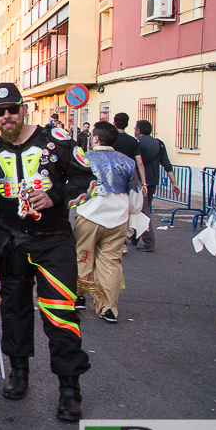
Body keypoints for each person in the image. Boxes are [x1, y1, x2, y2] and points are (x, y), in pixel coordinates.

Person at [0, 82, 93, 421]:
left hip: (53, 242)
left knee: (60, 315)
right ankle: (19, 373)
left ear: (23, 108)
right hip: (11, 244)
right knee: (13, 311)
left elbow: (87, 181)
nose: (7, 116)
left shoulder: (56, 142)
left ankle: (69, 390)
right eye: (0, 112)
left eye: (13, 108)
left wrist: (56, 195)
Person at [73, 122, 144, 323]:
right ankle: (108, 308)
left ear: (95, 138)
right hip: (118, 218)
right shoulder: (128, 161)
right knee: (111, 262)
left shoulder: (84, 159)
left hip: (89, 214)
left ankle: (79, 296)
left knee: (83, 256)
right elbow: (135, 194)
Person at [134, 120, 181, 252]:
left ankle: (149, 242)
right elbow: (167, 164)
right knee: (143, 208)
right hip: (153, 181)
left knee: (142, 211)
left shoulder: (136, 143)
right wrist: (174, 183)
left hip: (139, 182)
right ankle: (134, 237)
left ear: (138, 130)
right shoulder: (159, 144)